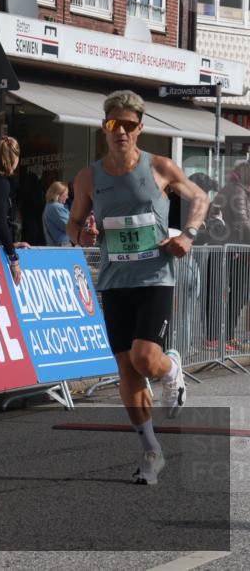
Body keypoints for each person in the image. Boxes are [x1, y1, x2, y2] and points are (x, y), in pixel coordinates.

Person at [67, 89, 209, 485]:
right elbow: (74, 225)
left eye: (129, 125)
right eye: (114, 124)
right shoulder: (88, 177)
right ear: (104, 128)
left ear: (140, 129)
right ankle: (151, 451)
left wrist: (189, 235)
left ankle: (171, 367)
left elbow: (200, 198)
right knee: (126, 370)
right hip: (115, 283)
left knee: (145, 359)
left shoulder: (160, 167)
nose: (121, 132)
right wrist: (84, 233)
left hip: (155, 278)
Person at [207, 162, 250, 349]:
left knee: (234, 296)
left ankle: (227, 336)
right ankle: (218, 338)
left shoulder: (236, 190)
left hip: (233, 250)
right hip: (233, 251)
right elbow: (243, 222)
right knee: (232, 295)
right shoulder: (237, 192)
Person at [0, 136, 30, 284]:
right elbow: (0, 223)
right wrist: (13, 258)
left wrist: (10, 243)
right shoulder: (1, 183)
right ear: (13, 158)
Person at [43, 181, 71, 246]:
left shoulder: (50, 206)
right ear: (58, 194)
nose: (67, 197)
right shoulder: (56, 207)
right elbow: (69, 227)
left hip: (57, 245)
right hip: (62, 246)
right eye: (66, 194)